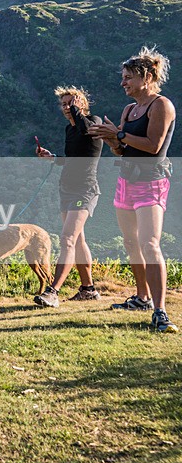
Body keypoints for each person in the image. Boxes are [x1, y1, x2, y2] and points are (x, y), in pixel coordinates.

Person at [88, 47, 178, 333]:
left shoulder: (161, 105)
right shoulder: (129, 109)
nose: (122, 83)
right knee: (130, 243)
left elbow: (153, 146)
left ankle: (161, 311)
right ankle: (142, 297)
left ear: (147, 76)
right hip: (127, 180)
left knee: (150, 243)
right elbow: (123, 150)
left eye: (128, 78)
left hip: (151, 183)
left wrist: (119, 134)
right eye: (123, 78)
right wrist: (111, 140)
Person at [34, 87, 103, 307]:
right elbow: (72, 159)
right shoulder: (69, 130)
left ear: (82, 103)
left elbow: (86, 130)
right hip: (67, 188)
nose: (67, 107)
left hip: (85, 190)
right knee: (78, 239)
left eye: (71, 103)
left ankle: (53, 291)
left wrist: (76, 111)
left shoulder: (93, 122)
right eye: (64, 104)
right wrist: (52, 157)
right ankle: (88, 289)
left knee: (67, 239)